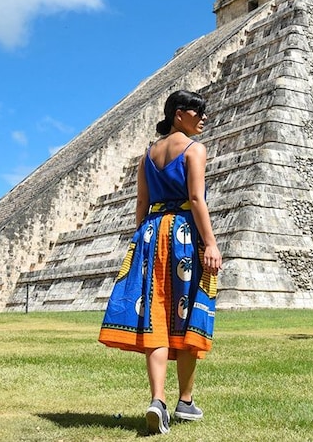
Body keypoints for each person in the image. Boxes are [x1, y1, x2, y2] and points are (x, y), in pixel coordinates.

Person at [98, 89, 222, 435]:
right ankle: (185, 400)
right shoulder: (194, 149)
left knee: (156, 315)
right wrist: (210, 243)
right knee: (187, 313)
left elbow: (141, 203)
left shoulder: (147, 155)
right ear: (179, 114)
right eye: (198, 113)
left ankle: (159, 400)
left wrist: (140, 242)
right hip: (182, 234)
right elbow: (196, 198)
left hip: (151, 235)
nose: (203, 119)